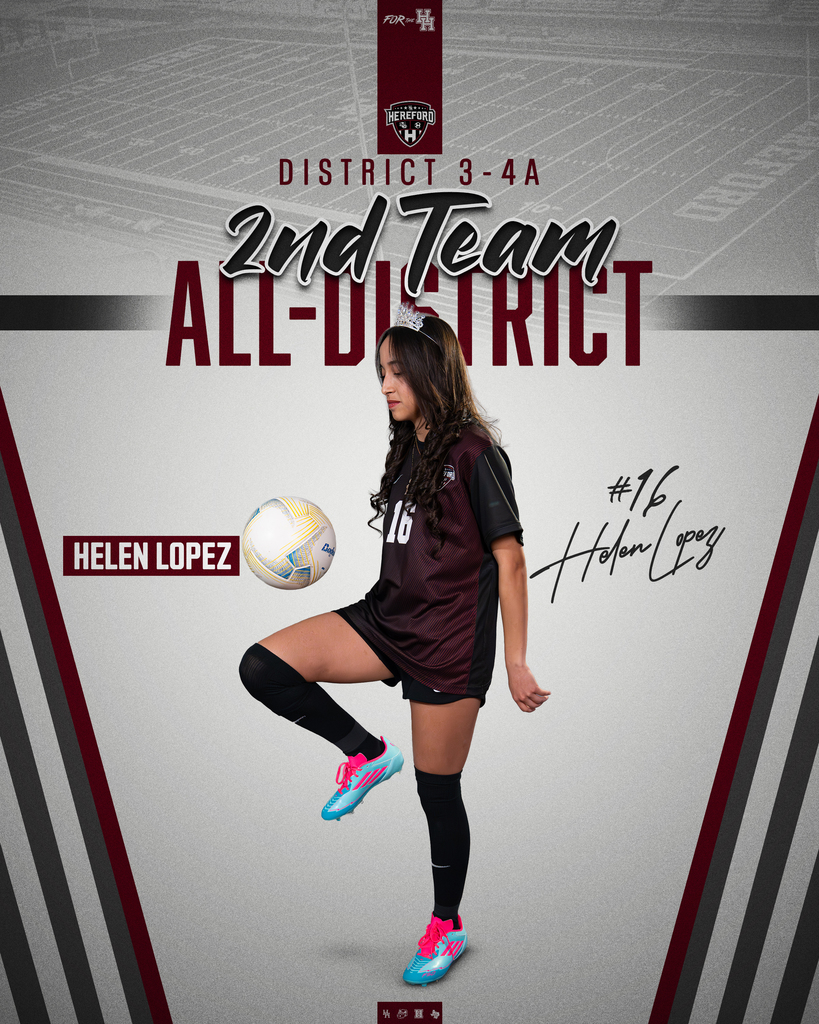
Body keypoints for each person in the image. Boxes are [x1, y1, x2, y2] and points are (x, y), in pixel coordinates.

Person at [239, 303, 549, 985]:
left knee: (436, 791)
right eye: (380, 371)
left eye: (395, 370)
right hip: (387, 619)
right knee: (263, 667)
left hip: (447, 643)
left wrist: (517, 660)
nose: (384, 384)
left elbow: (511, 558)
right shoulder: (413, 443)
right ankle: (364, 752)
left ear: (429, 370)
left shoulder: (475, 451)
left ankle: (447, 923)